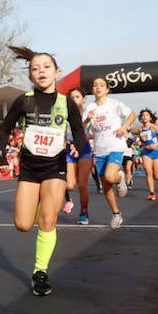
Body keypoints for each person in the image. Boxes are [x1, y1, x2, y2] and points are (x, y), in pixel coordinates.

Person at [0, 47, 87, 297]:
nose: (40, 71)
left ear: (57, 72)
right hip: (29, 169)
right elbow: (4, 129)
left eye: (46, 67)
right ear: (31, 76)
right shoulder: (24, 100)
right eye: (35, 69)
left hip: (55, 168)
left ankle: (40, 272)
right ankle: (41, 205)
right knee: (23, 224)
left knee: (48, 220)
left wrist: (81, 149)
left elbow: (78, 131)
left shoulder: (66, 102)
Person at [82, 77, 136, 229]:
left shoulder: (114, 104)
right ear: (92, 90)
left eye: (101, 85)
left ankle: (120, 179)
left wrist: (124, 127)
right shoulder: (90, 107)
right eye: (95, 85)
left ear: (107, 89)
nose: (98, 87)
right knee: (106, 186)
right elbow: (81, 127)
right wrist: (87, 119)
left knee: (110, 176)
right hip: (99, 150)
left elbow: (133, 114)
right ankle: (116, 214)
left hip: (116, 146)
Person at [62, 86, 93, 224]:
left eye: (77, 97)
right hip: (70, 148)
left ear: (83, 99)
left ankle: (84, 212)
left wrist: (91, 135)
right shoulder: (64, 113)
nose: (74, 100)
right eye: (72, 97)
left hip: (84, 149)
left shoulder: (90, 113)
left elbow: (84, 131)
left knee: (82, 184)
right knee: (69, 185)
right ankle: (69, 200)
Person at [136, 109, 158, 201]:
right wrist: (141, 143)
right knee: (148, 171)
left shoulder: (154, 127)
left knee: (157, 176)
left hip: (156, 152)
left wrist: (156, 144)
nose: (144, 117)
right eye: (143, 115)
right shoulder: (140, 129)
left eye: (146, 115)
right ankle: (152, 193)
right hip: (146, 152)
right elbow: (141, 140)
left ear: (150, 118)